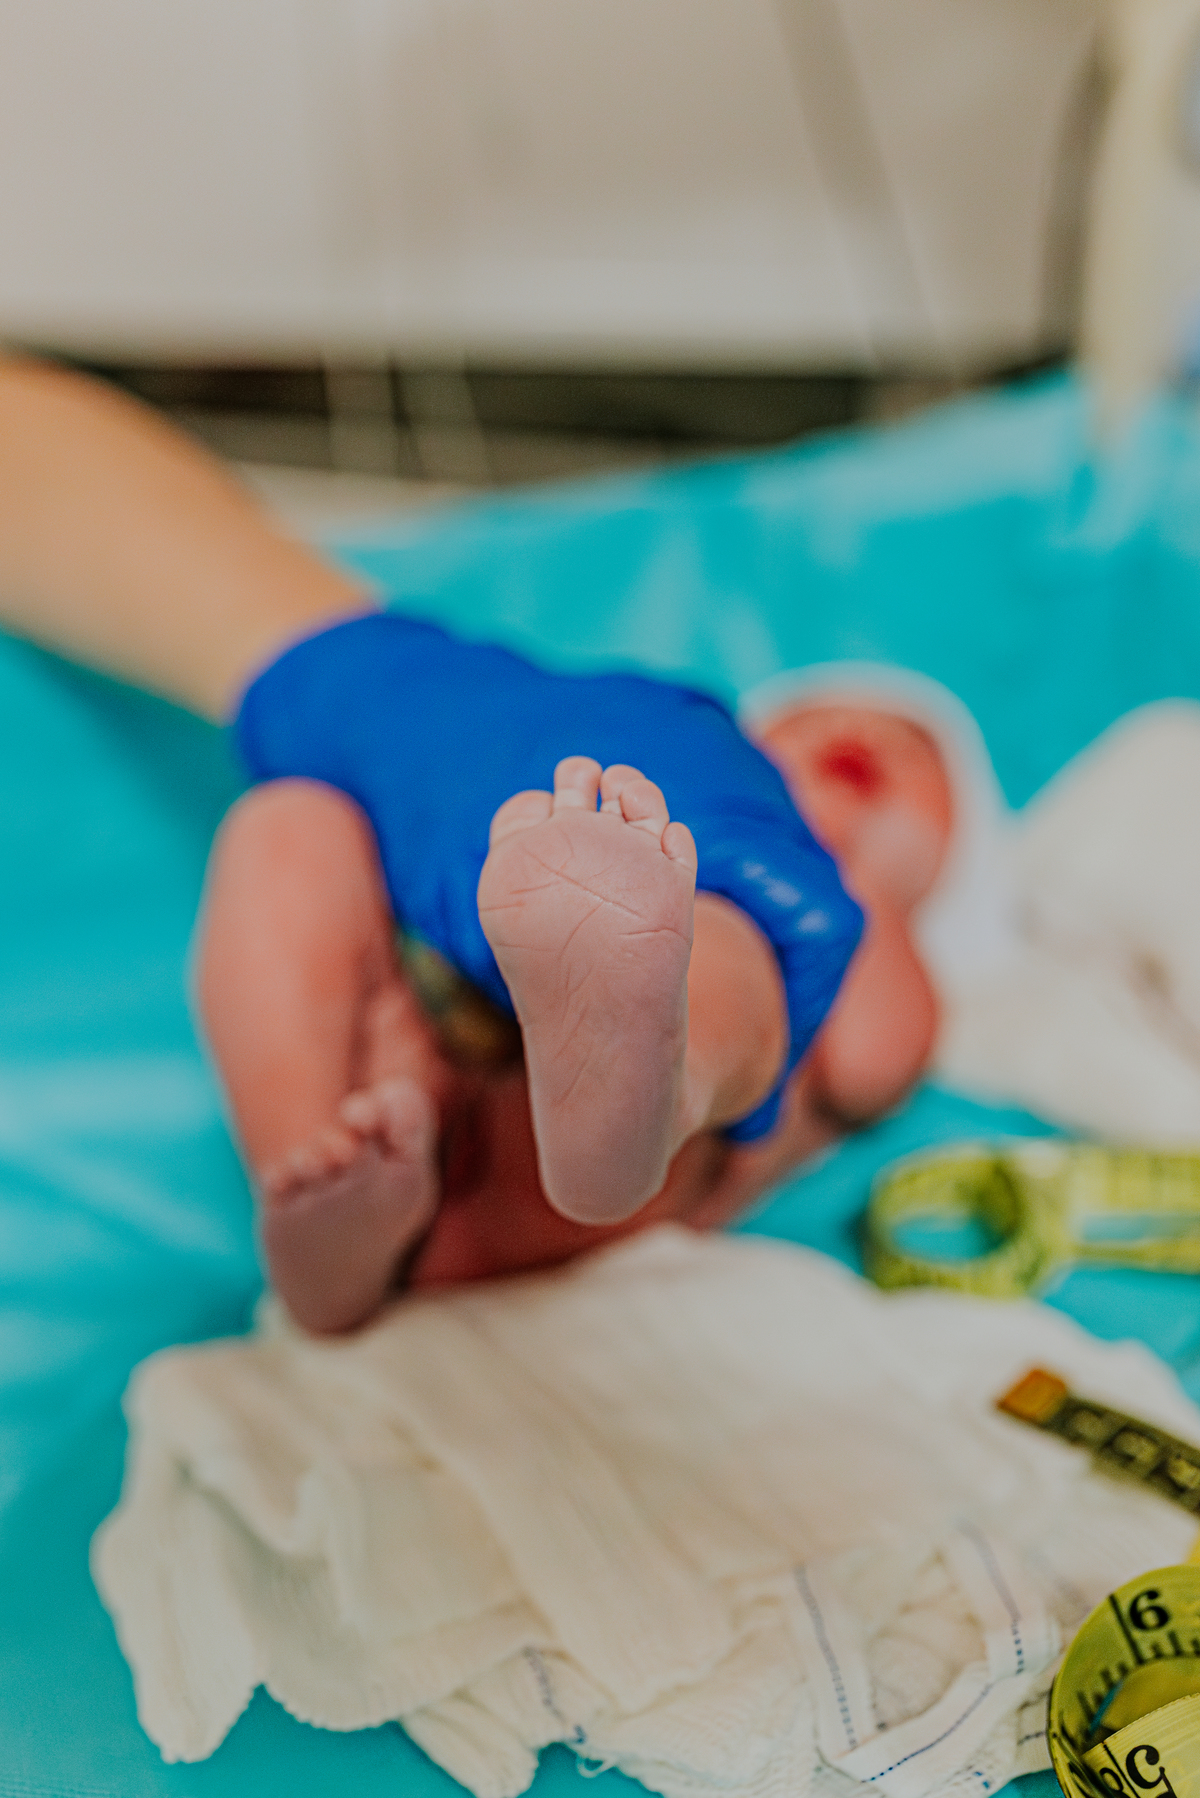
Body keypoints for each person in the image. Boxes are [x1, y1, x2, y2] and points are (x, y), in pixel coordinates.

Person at [0, 356, 949, 1329]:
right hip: (422, 1098)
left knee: (736, 948)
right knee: (289, 826)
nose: (872, 738)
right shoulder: (658, 764)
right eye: (830, 717)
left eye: (922, 764)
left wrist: (876, 888)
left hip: (586, 1170)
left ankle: (648, 1098)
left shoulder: (834, 910)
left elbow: (876, 1054)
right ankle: (317, 1166)